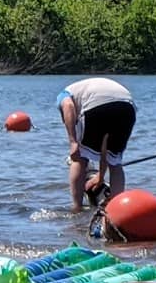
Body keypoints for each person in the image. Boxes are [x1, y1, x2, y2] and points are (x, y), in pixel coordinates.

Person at [57, 77, 136, 210]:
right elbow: (104, 149)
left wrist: (73, 142)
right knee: (115, 162)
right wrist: (100, 177)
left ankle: (77, 208)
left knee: (79, 158)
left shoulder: (63, 94)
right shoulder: (82, 89)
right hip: (127, 107)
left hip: (95, 106)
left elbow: (68, 106)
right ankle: (116, 209)